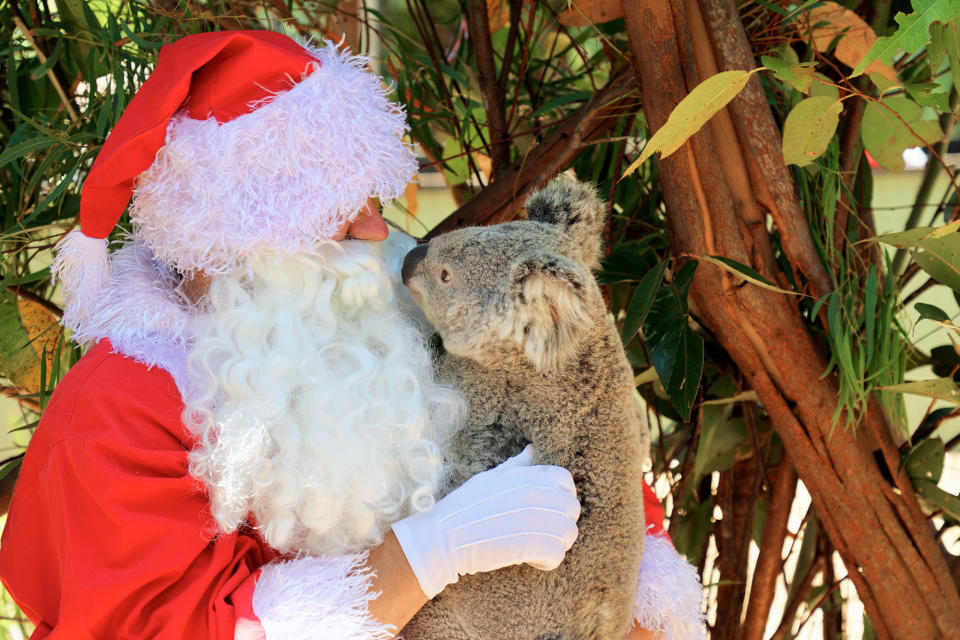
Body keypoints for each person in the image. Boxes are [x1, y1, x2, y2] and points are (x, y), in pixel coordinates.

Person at [0, 31, 704, 639]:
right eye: (341, 214)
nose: (377, 231)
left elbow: (578, 439)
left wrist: (637, 593)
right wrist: (428, 554)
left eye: (372, 199)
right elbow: (159, 627)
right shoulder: (117, 414)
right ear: (250, 238)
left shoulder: (385, 307)